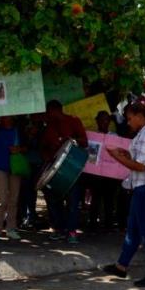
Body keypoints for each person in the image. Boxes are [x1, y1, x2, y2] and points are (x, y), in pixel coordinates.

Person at [102, 101, 145, 288]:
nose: (128, 123)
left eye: (130, 118)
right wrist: (126, 154)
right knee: (133, 230)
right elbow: (141, 159)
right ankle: (121, 266)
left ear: (140, 116)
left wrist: (117, 157)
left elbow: (140, 166)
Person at [41, 100, 88, 244]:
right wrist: (48, 159)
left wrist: (72, 140)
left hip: (72, 169)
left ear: (56, 110)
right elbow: (43, 148)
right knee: (53, 200)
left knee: (73, 202)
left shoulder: (73, 121)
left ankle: (72, 231)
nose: (48, 115)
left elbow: (85, 141)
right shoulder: (48, 127)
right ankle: (58, 229)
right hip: (55, 171)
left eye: (49, 112)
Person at [0, 116, 23, 242]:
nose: (6, 117)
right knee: (2, 200)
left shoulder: (19, 130)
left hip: (16, 167)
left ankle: (11, 229)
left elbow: (28, 146)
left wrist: (19, 149)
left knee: (14, 199)